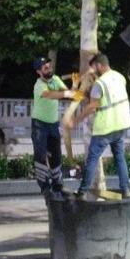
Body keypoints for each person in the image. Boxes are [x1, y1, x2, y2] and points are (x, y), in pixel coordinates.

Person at [74, 53, 130, 199]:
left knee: (92, 159)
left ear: (99, 65)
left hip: (105, 128)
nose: (93, 71)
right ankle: (126, 190)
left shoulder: (99, 84)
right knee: (119, 157)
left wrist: (76, 120)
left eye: (94, 68)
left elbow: (92, 107)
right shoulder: (120, 77)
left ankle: (82, 191)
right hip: (121, 124)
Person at [32, 56, 79, 198]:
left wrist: (75, 84)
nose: (49, 69)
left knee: (56, 156)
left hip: (53, 124)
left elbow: (70, 94)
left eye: (49, 66)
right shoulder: (39, 85)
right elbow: (50, 95)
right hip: (39, 124)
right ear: (39, 72)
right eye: (45, 68)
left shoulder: (56, 79)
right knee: (40, 156)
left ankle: (58, 186)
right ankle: (45, 187)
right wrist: (66, 93)